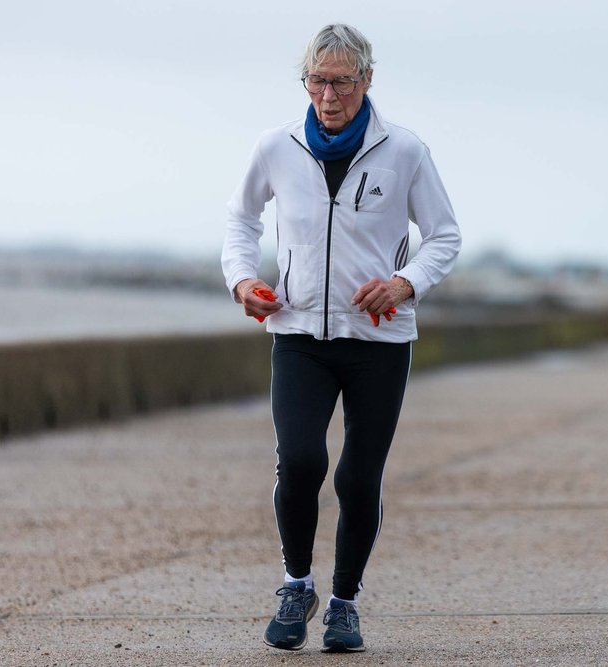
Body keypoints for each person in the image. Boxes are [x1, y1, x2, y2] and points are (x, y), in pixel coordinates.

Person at [221, 24, 461, 652]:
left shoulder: (404, 151)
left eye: (342, 82)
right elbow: (241, 218)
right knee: (300, 461)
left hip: (378, 342)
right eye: (318, 81)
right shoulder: (277, 147)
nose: (329, 96)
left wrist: (405, 283)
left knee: (358, 479)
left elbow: (444, 236)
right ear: (306, 83)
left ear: (367, 81)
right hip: (298, 332)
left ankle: (345, 604)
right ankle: (296, 585)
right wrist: (244, 280)